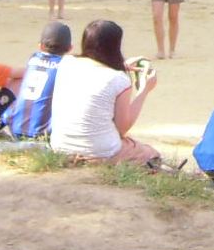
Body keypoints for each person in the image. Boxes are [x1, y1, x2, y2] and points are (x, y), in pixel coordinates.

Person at [49, 20, 161, 166]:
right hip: (100, 152)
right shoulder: (119, 79)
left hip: (60, 146)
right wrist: (144, 90)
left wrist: (122, 66)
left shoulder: (66, 63)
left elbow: (92, 74)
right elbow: (122, 128)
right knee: (151, 154)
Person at [0, 21, 72, 140]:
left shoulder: (33, 58)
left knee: (18, 80)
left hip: (15, 128)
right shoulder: (65, 65)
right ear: (70, 48)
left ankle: (2, 120)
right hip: (41, 134)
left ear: (40, 46)